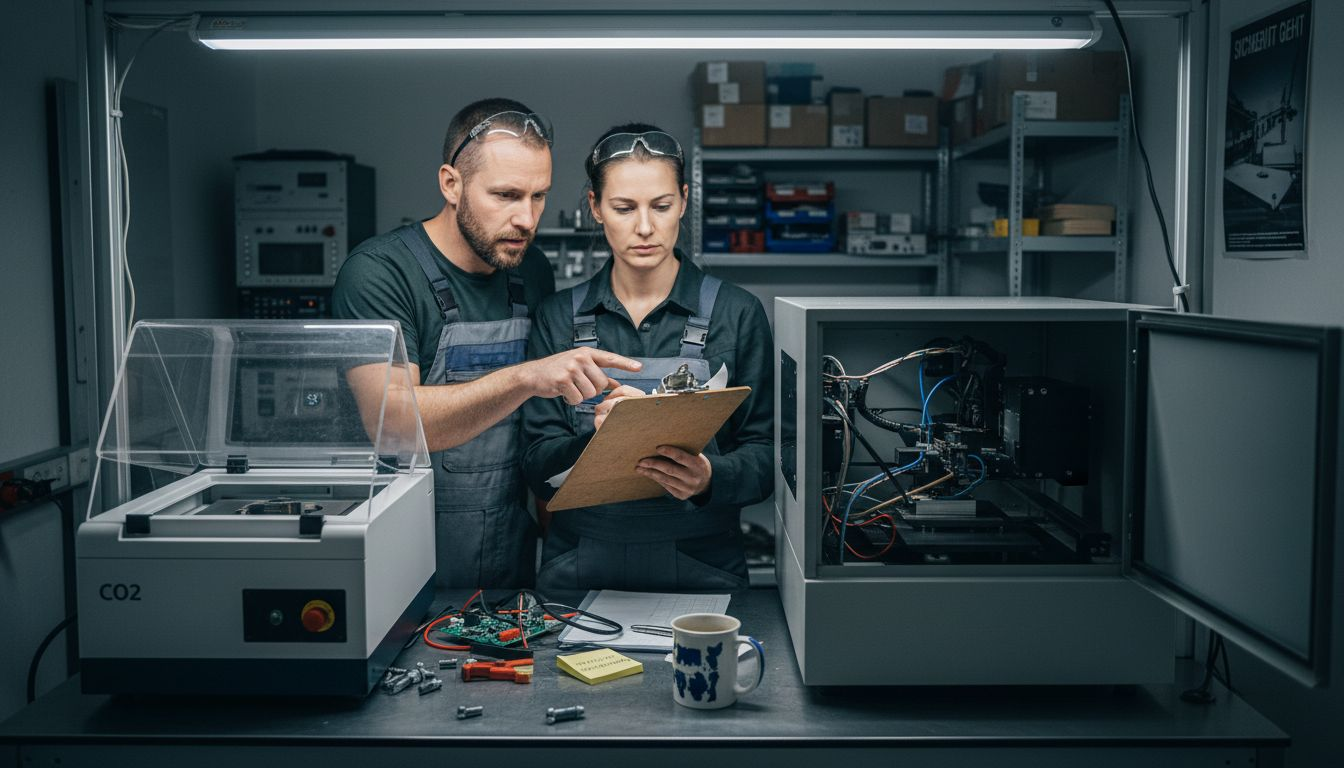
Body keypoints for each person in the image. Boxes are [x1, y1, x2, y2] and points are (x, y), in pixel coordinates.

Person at [333, 99, 643, 589]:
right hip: (406, 567)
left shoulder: (529, 269)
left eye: (538, 196)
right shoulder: (380, 273)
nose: (527, 218)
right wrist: (525, 378)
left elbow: (538, 437)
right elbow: (391, 423)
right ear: (451, 184)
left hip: (507, 560)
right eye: (506, 195)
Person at [521, 123, 774, 591]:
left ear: (683, 201)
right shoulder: (557, 318)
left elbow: (770, 455)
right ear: (596, 207)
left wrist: (708, 477)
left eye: (661, 206)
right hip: (578, 568)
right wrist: (599, 442)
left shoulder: (737, 313)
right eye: (624, 208)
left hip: (705, 569)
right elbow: (536, 463)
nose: (644, 227)